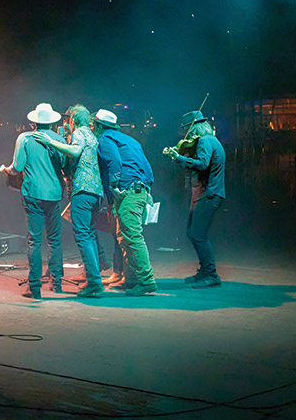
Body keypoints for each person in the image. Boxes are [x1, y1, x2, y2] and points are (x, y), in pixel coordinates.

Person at [34, 104, 106, 298]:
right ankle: (95, 279)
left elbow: (74, 151)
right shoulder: (92, 134)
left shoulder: (80, 134)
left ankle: (95, 283)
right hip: (95, 192)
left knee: (83, 236)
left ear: (73, 120)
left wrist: (51, 142)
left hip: (82, 190)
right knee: (89, 235)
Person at [0, 102, 68, 299]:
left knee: (34, 241)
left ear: (34, 122)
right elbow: (64, 166)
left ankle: (35, 287)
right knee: (55, 240)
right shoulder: (59, 139)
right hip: (54, 194)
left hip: (33, 194)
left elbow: (17, 167)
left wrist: (6, 170)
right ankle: (57, 283)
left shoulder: (25, 138)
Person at [94, 109, 158, 296]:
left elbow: (113, 161)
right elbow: (147, 167)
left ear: (98, 126)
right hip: (140, 189)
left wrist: (114, 185)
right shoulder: (130, 140)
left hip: (128, 191)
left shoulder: (105, 139)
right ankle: (131, 279)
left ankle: (147, 281)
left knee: (132, 236)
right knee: (124, 236)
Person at [164, 110, 227, 288]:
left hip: (209, 194)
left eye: (186, 129)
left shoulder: (205, 141)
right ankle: (205, 271)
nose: (186, 134)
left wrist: (179, 157)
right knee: (193, 233)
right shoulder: (212, 140)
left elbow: (203, 163)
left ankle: (211, 274)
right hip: (208, 193)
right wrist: (182, 159)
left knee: (198, 234)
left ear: (193, 128)